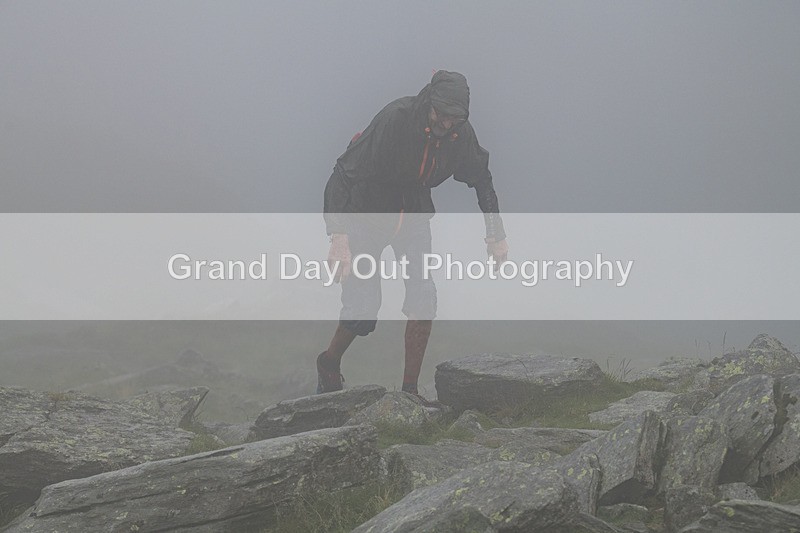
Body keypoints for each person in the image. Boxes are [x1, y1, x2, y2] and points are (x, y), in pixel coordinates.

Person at [317, 70, 508, 400]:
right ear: (429, 102)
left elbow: (482, 178)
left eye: (455, 118)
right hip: (368, 214)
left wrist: (495, 233)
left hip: (414, 216)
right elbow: (342, 175)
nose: (446, 123)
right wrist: (338, 237)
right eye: (441, 114)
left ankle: (409, 394)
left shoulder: (460, 135)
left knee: (423, 300)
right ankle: (329, 362)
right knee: (363, 309)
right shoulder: (397, 118)